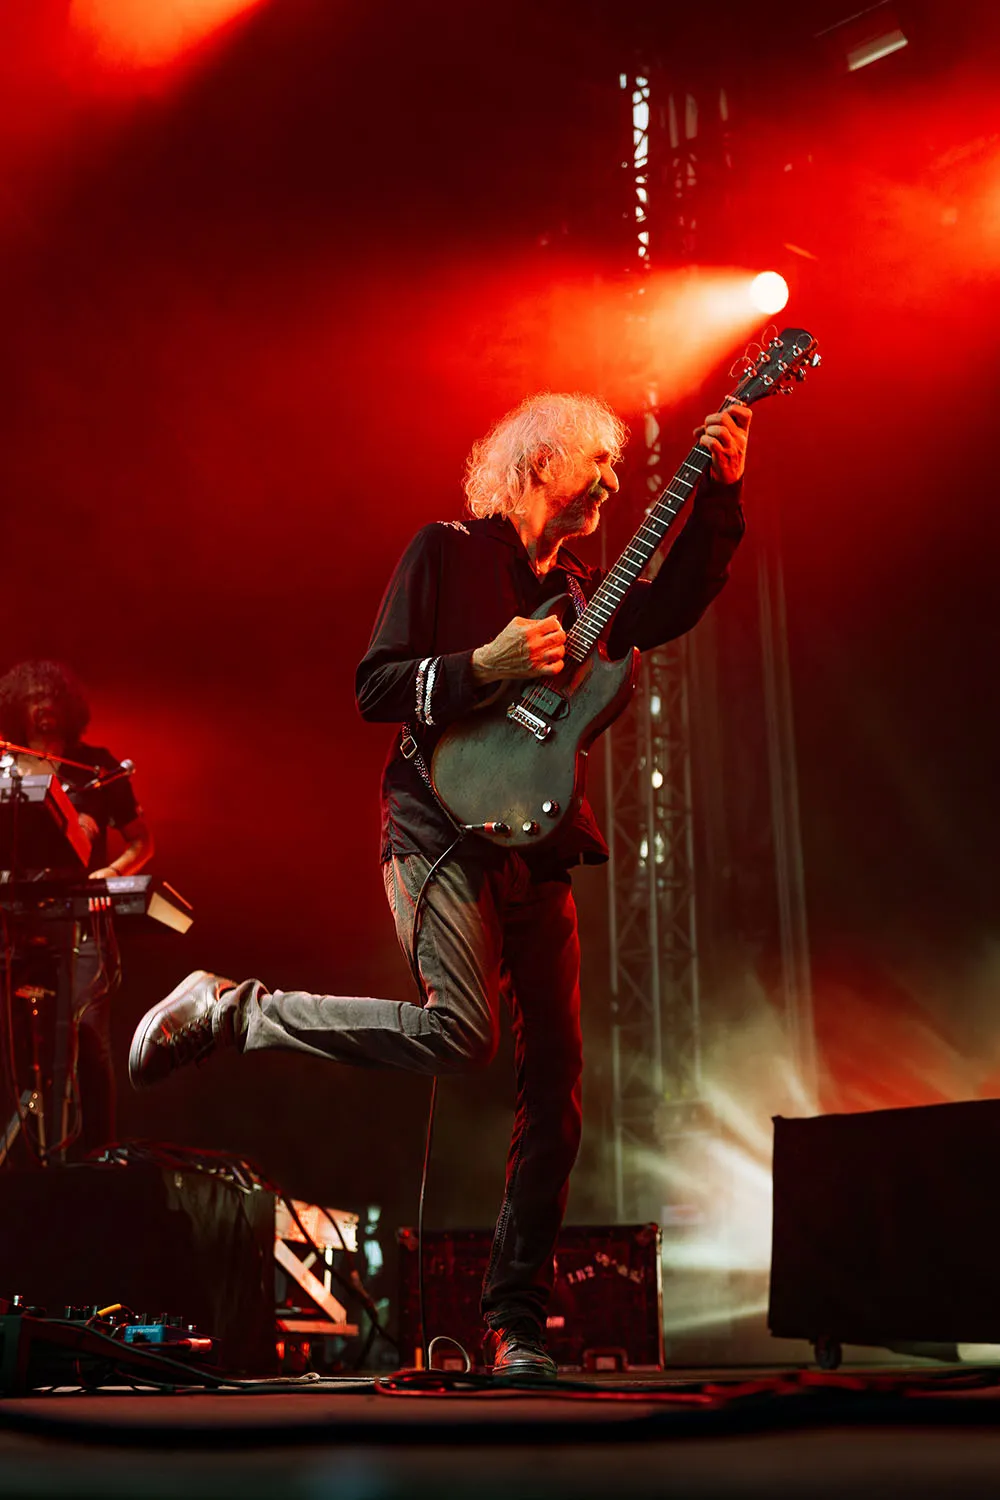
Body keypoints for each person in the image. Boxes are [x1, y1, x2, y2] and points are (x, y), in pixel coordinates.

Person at [128, 391, 750, 1377]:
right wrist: (482, 664)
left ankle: (515, 1321)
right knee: (463, 1034)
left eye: (615, 467)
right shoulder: (444, 552)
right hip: (436, 825)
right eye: (595, 462)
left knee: (557, 1090)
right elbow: (374, 686)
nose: (610, 481)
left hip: (537, 845)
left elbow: (671, 606)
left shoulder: (586, 589)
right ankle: (233, 1012)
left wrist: (720, 493)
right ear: (540, 463)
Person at [0, 660, 154, 1155]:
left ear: (69, 710)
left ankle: (96, 1153)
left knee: (87, 1032)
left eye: (51, 700)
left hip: (83, 919)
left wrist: (110, 873)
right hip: (17, 920)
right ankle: (26, 1151)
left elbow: (142, 841)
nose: (43, 708)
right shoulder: (8, 769)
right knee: (19, 1036)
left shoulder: (96, 766)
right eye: (33, 699)